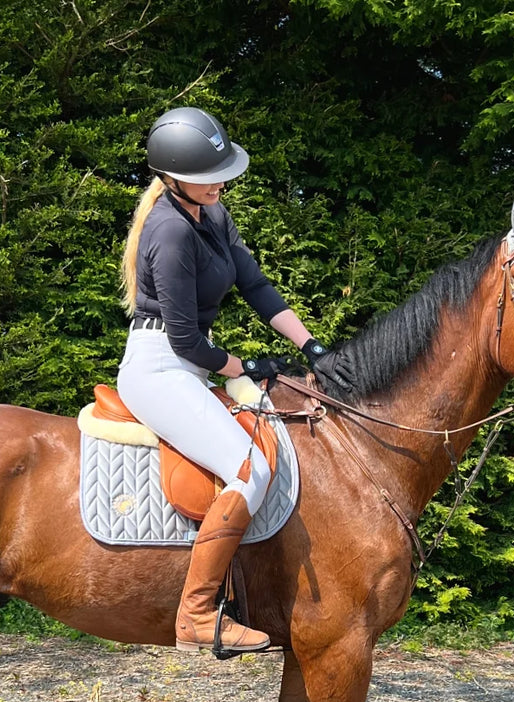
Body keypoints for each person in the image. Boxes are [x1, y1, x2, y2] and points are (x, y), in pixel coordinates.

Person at [117, 106, 350, 656]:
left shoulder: (212, 216)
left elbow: (256, 285)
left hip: (189, 365)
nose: (218, 183)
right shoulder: (169, 232)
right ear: (173, 179)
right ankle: (196, 615)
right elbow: (186, 342)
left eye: (219, 173)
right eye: (206, 177)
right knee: (250, 469)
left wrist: (311, 345)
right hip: (158, 368)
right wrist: (244, 367)